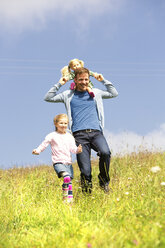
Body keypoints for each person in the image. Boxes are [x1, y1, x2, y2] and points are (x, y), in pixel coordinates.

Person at [44, 67, 118, 194]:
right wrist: (60, 83)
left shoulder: (95, 93)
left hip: (96, 132)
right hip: (79, 136)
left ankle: (104, 181)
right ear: (75, 80)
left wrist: (103, 80)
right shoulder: (68, 95)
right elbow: (48, 97)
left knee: (105, 152)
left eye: (86, 80)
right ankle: (87, 195)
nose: (84, 82)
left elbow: (113, 93)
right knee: (85, 170)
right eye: (81, 80)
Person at [32, 114, 82, 202]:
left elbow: (72, 149)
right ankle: (67, 199)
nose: (63, 125)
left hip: (68, 163)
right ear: (56, 124)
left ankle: (67, 199)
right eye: (61, 123)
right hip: (58, 162)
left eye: (65, 123)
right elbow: (44, 144)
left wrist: (78, 150)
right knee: (66, 178)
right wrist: (38, 150)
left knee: (69, 182)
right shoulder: (52, 135)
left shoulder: (69, 136)